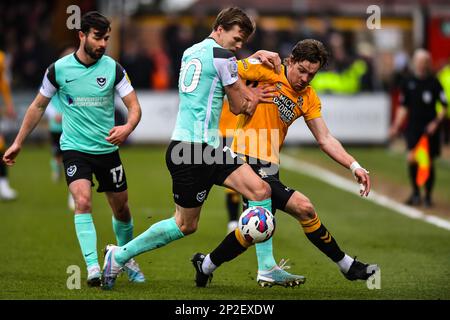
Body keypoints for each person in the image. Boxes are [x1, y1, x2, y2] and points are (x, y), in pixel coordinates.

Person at [100, 7, 303, 290]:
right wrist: (254, 96)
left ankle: (267, 267)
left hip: (192, 148)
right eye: (237, 37)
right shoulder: (225, 57)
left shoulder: (191, 51)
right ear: (220, 28)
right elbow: (238, 105)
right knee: (186, 223)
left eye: (243, 40)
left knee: (258, 192)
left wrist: (252, 59)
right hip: (199, 150)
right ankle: (119, 255)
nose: (240, 44)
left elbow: (218, 68)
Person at [190, 39, 379, 287]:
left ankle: (204, 265)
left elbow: (325, 138)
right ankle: (344, 265)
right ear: (290, 60)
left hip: (270, 165)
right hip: (245, 158)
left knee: (253, 230)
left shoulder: (308, 97)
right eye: (301, 70)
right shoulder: (267, 69)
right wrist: (254, 56)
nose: (305, 78)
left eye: (312, 74)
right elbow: (226, 68)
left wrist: (354, 166)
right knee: (303, 208)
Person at [2, 11, 145, 287]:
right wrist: (18, 142)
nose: (103, 43)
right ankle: (92, 266)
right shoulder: (58, 70)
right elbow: (38, 106)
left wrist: (127, 128)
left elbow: (134, 107)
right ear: (81, 35)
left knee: (122, 210)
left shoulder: (114, 68)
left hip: (107, 151)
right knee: (82, 201)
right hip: (75, 149)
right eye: (98, 37)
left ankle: (125, 257)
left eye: (106, 38)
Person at [390, 49, 448, 207]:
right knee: (412, 159)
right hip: (414, 128)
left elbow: (443, 106)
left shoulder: (434, 82)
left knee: (427, 162)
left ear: (428, 63)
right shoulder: (408, 82)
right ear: (415, 62)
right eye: (419, 61)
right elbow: (403, 107)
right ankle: (416, 192)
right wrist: (396, 126)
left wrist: (436, 123)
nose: (422, 65)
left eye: (425, 62)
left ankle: (428, 196)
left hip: (430, 129)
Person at [0, 49, 18, 201]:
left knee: (0, 146)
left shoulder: (1, 58)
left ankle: (3, 185)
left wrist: (9, 104)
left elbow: (3, 83)